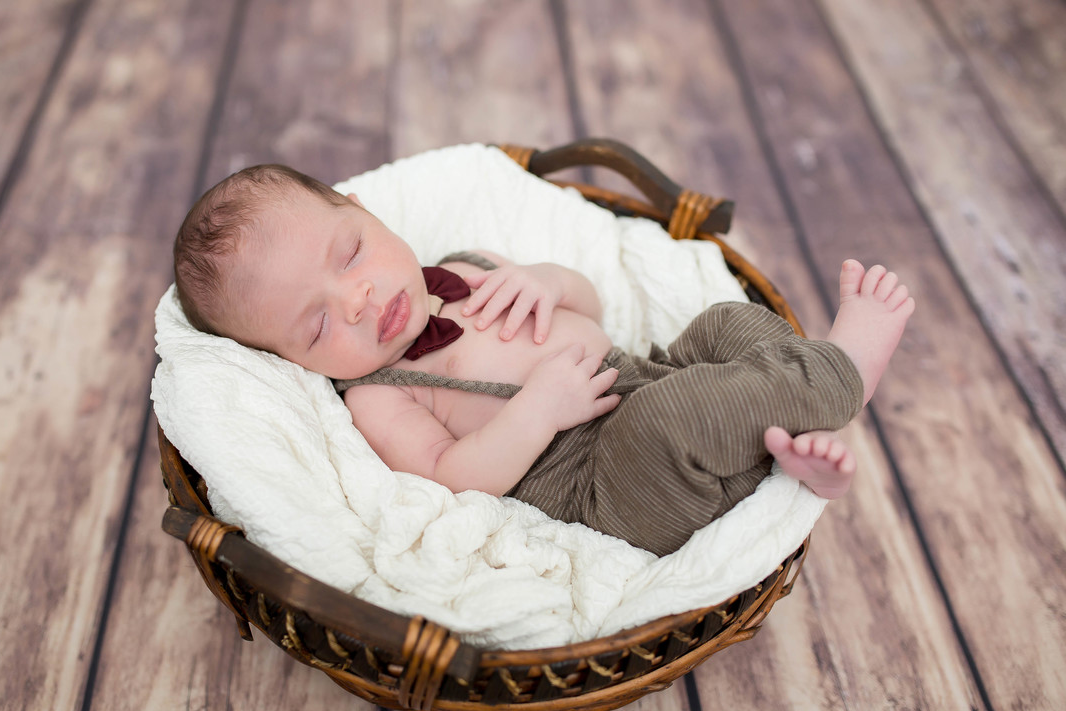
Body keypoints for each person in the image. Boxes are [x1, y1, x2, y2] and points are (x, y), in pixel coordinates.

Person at [172, 164, 914, 556]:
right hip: (609, 485)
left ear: (364, 209)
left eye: (349, 253)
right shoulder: (378, 394)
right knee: (665, 418)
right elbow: (449, 477)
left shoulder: (471, 265)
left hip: (649, 369)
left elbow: (589, 308)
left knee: (722, 325)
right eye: (318, 321)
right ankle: (839, 372)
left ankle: (788, 456)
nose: (359, 296)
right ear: (291, 363)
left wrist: (548, 281)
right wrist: (536, 411)